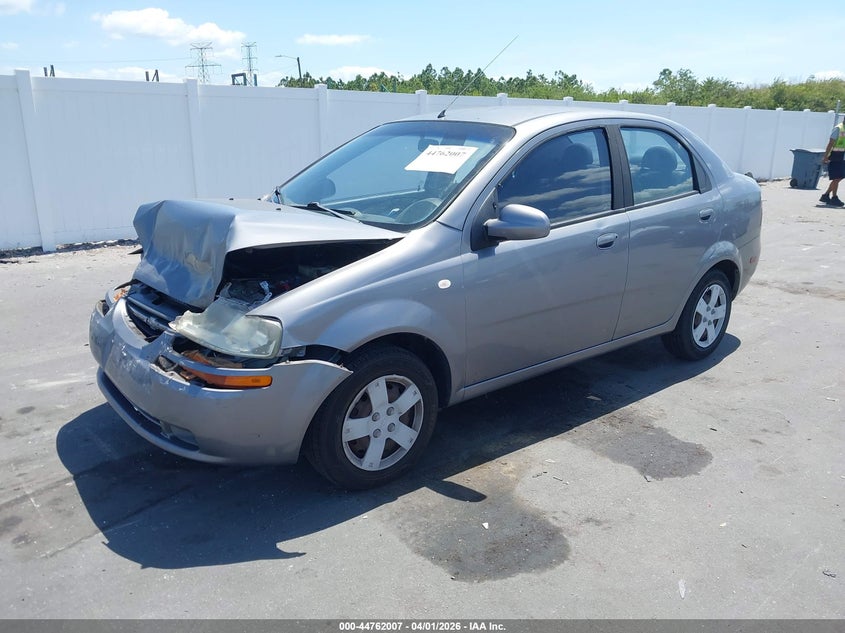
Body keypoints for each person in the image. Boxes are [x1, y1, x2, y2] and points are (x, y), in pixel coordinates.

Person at [820, 118, 845, 206]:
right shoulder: (838, 128)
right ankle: (834, 197)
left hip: (842, 157)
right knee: (837, 177)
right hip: (835, 156)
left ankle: (826, 195)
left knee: (839, 177)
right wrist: (825, 157)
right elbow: (830, 143)